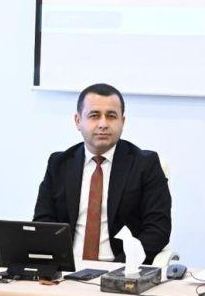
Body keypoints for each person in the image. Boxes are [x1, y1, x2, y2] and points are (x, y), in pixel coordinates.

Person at [33, 83, 171, 265]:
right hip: (66, 270)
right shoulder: (59, 163)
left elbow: (157, 231)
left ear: (123, 121)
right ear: (78, 121)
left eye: (111, 116)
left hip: (120, 269)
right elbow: (43, 223)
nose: (103, 124)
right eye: (94, 116)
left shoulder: (145, 165)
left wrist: (118, 268)